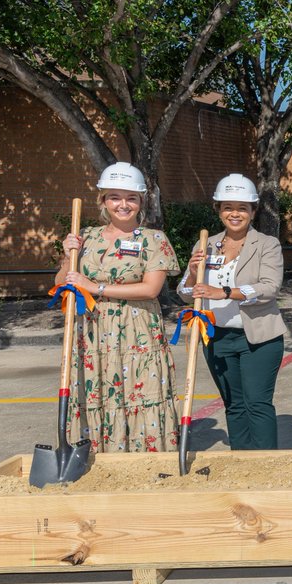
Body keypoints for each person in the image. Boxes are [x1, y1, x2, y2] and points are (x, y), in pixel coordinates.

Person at [55, 162, 180, 452]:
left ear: (141, 202)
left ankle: (146, 458)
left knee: (140, 392)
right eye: (115, 197)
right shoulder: (86, 236)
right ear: (103, 201)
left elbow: (151, 289)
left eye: (131, 198)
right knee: (98, 387)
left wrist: (95, 287)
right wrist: (67, 256)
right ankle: (96, 455)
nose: (123, 205)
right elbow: (64, 283)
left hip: (137, 330)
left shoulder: (153, 239)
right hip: (93, 330)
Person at [178, 174, 285, 450]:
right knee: (234, 405)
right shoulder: (206, 244)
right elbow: (184, 293)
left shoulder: (267, 244)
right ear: (218, 209)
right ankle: (241, 463)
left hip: (258, 337)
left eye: (242, 208)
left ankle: (265, 464)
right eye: (228, 207)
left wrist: (225, 292)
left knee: (257, 404)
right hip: (216, 338)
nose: (234, 214)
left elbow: (269, 288)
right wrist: (191, 275)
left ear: (253, 211)